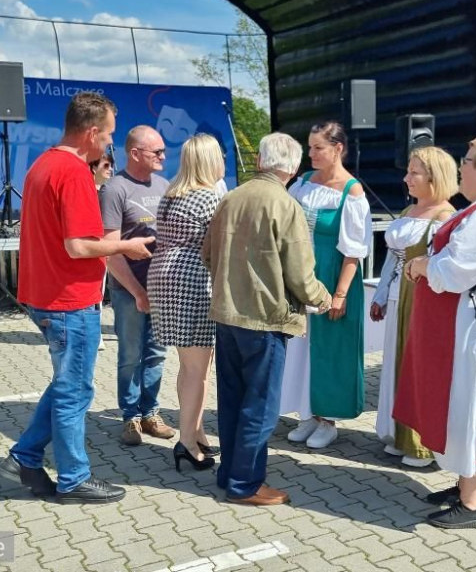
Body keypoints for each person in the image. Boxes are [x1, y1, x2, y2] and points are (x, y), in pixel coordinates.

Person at [0, 92, 155, 505]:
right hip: (69, 299)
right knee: (74, 392)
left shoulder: (44, 164)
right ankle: (73, 479)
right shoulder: (72, 173)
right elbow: (79, 246)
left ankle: (25, 457)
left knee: (66, 386)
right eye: (107, 136)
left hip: (47, 295)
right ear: (90, 132)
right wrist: (126, 247)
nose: (109, 145)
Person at [394, 136, 476, 529]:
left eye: (467, 162)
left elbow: (456, 272)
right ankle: (466, 483)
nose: (461, 168)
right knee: (465, 400)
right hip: (472, 319)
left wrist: (421, 268)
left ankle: (473, 503)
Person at [202, 132, 332, 507]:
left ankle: (230, 474)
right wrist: (321, 298)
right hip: (265, 319)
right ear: (292, 168)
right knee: (259, 406)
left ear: (259, 162)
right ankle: (244, 484)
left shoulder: (230, 197)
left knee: (232, 400)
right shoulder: (286, 205)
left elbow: (207, 254)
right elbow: (300, 273)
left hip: (227, 315)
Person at [280, 121, 372, 449]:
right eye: (310, 147)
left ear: (338, 149)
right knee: (301, 347)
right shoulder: (302, 183)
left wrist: (340, 294)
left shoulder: (352, 191)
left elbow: (354, 251)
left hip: (332, 277)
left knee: (331, 350)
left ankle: (328, 419)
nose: (311, 153)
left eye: (318, 147)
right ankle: (307, 413)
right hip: (300, 275)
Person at [370, 147, 457, 468]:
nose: (407, 178)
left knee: (417, 367)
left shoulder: (444, 218)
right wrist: (380, 295)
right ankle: (398, 432)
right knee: (396, 363)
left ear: (434, 177)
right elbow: (394, 259)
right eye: (408, 171)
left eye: (414, 173)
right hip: (398, 295)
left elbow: (442, 267)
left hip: (421, 299)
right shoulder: (409, 210)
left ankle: (420, 443)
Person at [148, 134, 222, 472]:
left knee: (188, 365)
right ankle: (188, 443)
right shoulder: (210, 197)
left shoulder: (171, 194)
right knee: (198, 369)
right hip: (192, 280)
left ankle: (197, 432)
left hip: (163, 277)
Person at [99, 125, 175, 446]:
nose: (162, 156)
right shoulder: (114, 189)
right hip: (128, 289)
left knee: (157, 353)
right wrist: (137, 291)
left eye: (162, 151)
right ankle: (130, 415)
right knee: (131, 354)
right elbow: (110, 250)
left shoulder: (164, 185)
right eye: (156, 151)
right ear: (134, 154)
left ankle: (150, 412)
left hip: (161, 288)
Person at [90, 150, 114, 351]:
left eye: (111, 165)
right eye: (105, 166)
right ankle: (94, 333)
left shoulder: (109, 190)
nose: (110, 170)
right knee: (95, 293)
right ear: (93, 167)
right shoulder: (87, 191)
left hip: (109, 247)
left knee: (104, 290)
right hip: (94, 249)